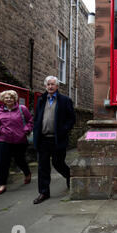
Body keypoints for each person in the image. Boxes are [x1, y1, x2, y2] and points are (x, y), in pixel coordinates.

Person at [32, 76, 75, 204]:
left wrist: (64, 129)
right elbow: (37, 118)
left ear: (57, 86)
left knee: (58, 163)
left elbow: (71, 119)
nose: (50, 87)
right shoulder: (41, 99)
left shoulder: (65, 100)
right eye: (48, 84)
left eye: (53, 84)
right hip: (43, 139)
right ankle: (43, 192)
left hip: (58, 139)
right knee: (43, 166)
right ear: (45, 86)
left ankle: (69, 175)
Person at [0, 90, 33, 195]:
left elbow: (30, 121)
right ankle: (2, 184)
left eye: (11, 97)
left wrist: (26, 129)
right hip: (4, 140)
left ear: (15, 99)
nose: (9, 99)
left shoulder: (22, 109)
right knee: (3, 162)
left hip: (20, 139)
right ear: (3, 99)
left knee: (19, 159)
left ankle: (27, 173)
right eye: (6, 98)